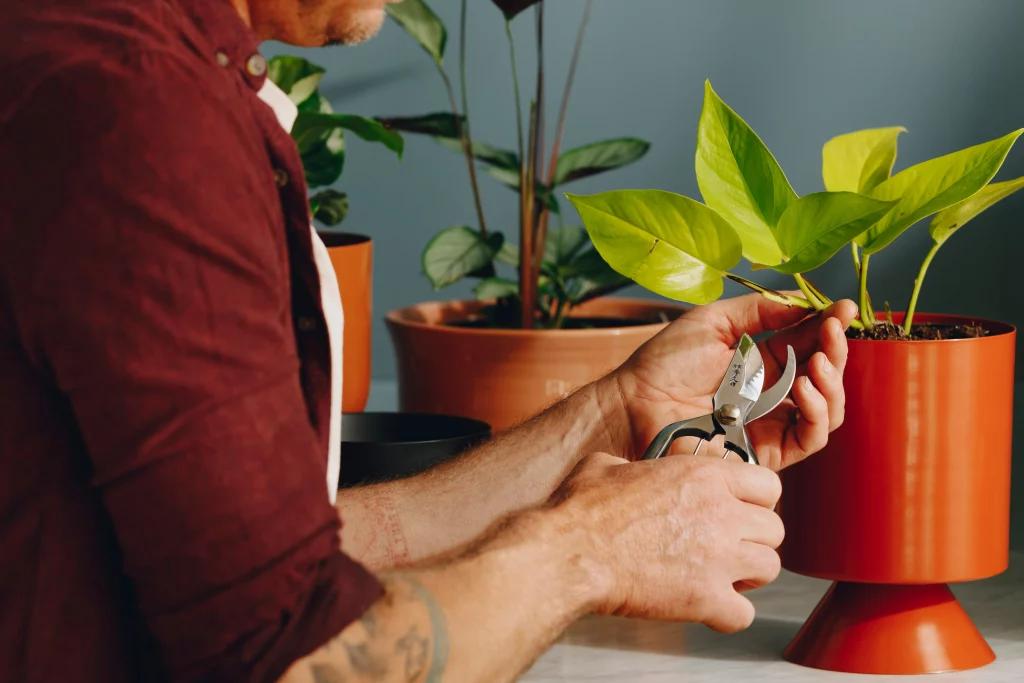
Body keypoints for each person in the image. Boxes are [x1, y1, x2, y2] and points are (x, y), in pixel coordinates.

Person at [0, 0, 856, 682]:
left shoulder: (115, 57)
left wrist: (613, 414)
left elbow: (287, 564)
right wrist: (592, 550)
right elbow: (293, 658)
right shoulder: (143, 115)